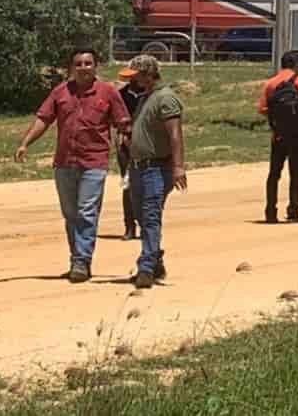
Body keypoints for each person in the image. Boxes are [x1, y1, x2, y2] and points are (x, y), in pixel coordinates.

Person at [13, 48, 130, 283]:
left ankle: (82, 261)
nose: (84, 68)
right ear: (71, 67)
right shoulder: (60, 92)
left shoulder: (108, 92)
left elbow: (123, 123)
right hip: (65, 162)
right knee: (71, 215)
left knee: (87, 212)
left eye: (88, 63)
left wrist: (134, 150)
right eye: (79, 64)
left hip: (94, 162)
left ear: (96, 66)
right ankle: (76, 257)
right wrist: (25, 143)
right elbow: (44, 118)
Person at [121, 55, 187, 289]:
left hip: (157, 168)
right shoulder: (146, 97)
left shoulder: (165, 98)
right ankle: (155, 260)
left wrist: (178, 167)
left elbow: (175, 135)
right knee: (140, 215)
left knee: (150, 216)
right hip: (138, 167)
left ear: (148, 74)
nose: (132, 82)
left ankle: (146, 268)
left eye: (135, 76)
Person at [259, 51, 298, 223]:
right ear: (296, 65)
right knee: (295, 173)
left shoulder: (270, 83)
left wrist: (278, 121)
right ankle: (293, 210)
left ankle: (270, 211)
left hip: (278, 136)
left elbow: (262, 109)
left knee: (274, 174)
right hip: (297, 135)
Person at [114, 69, 147, 240]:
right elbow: (116, 119)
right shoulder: (121, 95)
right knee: (128, 184)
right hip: (125, 144)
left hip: (147, 144)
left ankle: (146, 225)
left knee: (146, 184)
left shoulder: (149, 94)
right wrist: (125, 134)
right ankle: (129, 226)